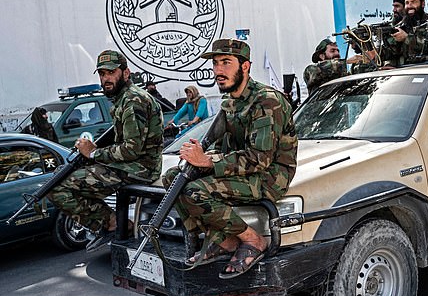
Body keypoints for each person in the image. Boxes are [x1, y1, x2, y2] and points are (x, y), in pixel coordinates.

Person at [163, 38, 297, 279]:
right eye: (215, 64)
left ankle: (252, 241)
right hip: (242, 172)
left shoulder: (266, 101)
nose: (218, 71)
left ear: (245, 66)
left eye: (226, 63)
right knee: (174, 178)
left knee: (194, 192)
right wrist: (197, 154)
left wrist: (209, 162)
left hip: (268, 177)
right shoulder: (230, 102)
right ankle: (223, 241)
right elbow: (216, 142)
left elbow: (260, 159)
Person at [47, 50, 164, 252]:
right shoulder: (123, 98)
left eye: (111, 72)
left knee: (56, 187)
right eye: (102, 74)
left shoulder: (132, 100)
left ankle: (112, 224)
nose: (106, 79)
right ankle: (113, 222)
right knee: (59, 176)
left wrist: (93, 153)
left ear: (126, 73)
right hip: (130, 166)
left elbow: (131, 150)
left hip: (139, 169)